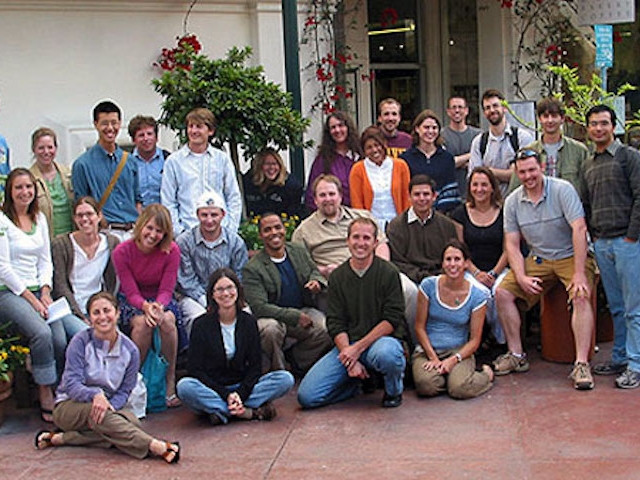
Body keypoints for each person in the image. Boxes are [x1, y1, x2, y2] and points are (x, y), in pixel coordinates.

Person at [35, 292, 180, 463]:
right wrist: (95, 395)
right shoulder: (80, 342)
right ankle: (156, 446)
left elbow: (125, 391)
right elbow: (72, 384)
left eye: (107, 310)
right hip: (69, 406)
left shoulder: (130, 350)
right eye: (96, 313)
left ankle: (64, 438)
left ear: (117, 313)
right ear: (89, 318)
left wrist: (110, 405)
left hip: (108, 409)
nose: (102, 317)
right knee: (111, 420)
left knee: (131, 423)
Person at [493, 149, 596, 390]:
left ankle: (581, 364)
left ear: (541, 167)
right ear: (517, 174)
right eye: (522, 172)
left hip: (571, 255)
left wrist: (580, 272)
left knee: (581, 295)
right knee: (502, 293)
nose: (528, 176)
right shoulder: (512, 201)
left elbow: (579, 229)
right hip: (539, 259)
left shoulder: (562, 189)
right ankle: (516, 355)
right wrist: (520, 276)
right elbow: (512, 244)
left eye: (532, 170)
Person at [0, 168, 87, 422]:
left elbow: (44, 260)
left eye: (29, 187)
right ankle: (44, 390)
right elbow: (3, 267)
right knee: (41, 332)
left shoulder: (39, 218)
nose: (25, 192)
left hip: (40, 290)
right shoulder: (3, 221)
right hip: (11, 291)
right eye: (19, 188)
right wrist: (32, 298)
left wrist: (46, 292)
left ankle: (61, 387)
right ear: (10, 192)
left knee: (60, 337)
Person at [297, 217, 406, 409]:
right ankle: (356, 384)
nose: (360, 243)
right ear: (347, 241)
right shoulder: (338, 276)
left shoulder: (389, 272)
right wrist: (349, 358)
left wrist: (358, 349)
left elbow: (392, 319)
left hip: (379, 342)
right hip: (348, 344)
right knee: (308, 397)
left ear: (375, 243)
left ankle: (393, 391)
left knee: (388, 355)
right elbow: (335, 321)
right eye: (356, 237)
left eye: (366, 238)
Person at [177, 268, 295, 425]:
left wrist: (240, 393)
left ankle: (220, 411)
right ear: (212, 294)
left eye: (230, 288)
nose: (225, 294)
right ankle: (247, 412)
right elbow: (195, 370)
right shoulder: (201, 325)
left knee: (284, 379)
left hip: (243, 387)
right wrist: (226, 395)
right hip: (213, 389)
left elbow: (255, 367)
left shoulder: (248, 322)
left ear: (238, 291)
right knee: (185, 387)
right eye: (219, 289)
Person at [583, 105, 640, 388]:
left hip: (627, 243)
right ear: (588, 129)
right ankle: (619, 356)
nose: (598, 129)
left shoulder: (629, 157)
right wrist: (594, 237)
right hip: (602, 243)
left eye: (604, 123)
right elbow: (586, 204)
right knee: (615, 306)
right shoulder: (589, 163)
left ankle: (635, 363)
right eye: (593, 124)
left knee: (633, 308)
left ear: (614, 126)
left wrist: (631, 236)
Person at [112, 204, 182, 407]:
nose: (153, 235)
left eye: (159, 231)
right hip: (133, 300)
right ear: (141, 225)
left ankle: (170, 379)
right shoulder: (122, 251)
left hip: (161, 299)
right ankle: (135, 379)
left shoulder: (172, 251)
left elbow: (167, 289)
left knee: (167, 321)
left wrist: (158, 307)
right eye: (149, 228)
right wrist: (146, 307)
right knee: (142, 325)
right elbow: (130, 290)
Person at [243, 213, 332, 373]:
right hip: (272, 316)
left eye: (278, 227)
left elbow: (314, 271)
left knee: (326, 329)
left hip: (302, 309)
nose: (274, 233)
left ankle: (297, 360)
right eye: (267, 230)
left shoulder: (298, 250)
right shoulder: (253, 268)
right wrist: (294, 316)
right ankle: (278, 371)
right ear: (261, 235)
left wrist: (316, 281)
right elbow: (259, 307)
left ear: (285, 229)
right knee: (269, 330)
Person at [412, 240, 494, 399]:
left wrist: (452, 361)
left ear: (466, 263)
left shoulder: (477, 296)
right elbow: (419, 327)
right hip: (428, 350)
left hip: (458, 351)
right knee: (425, 386)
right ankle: (449, 378)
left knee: (459, 390)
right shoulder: (428, 286)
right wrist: (433, 358)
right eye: (448, 259)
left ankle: (485, 375)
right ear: (442, 263)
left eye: (457, 259)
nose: (452, 264)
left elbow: (475, 340)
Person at [386, 174, 459, 344]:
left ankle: (457, 341)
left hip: (442, 275)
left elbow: (453, 255)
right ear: (409, 196)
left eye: (426, 194)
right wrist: (423, 277)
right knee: (412, 293)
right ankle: (417, 343)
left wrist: (442, 275)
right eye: (417, 194)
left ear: (434, 196)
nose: (422, 199)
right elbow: (397, 261)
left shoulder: (446, 225)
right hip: (413, 278)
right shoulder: (396, 226)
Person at [176, 191, 248, 337]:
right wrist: (207, 302)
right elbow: (186, 280)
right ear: (197, 215)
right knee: (199, 318)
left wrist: (227, 298)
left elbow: (239, 275)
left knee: (246, 316)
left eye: (214, 215)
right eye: (204, 215)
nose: (209, 220)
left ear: (223, 214)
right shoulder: (184, 242)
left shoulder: (235, 242)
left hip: (228, 294)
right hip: (194, 297)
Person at [161, 107, 242, 236]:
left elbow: (233, 197)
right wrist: (179, 232)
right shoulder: (174, 161)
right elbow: (168, 200)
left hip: (221, 232)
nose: (193, 131)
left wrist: (231, 230)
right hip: (188, 231)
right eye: (190, 126)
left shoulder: (222, 159)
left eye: (199, 126)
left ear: (210, 131)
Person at [292, 174, 389, 281]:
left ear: (340, 196)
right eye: (322, 195)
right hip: (335, 280)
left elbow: (381, 244)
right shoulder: (303, 231)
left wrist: (380, 270)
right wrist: (324, 270)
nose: (328, 199)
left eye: (332, 194)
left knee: (407, 289)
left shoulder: (363, 217)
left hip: (372, 272)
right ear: (315, 200)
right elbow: (301, 266)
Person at [450, 167, 507, 344]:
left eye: (484, 185)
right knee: (480, 293)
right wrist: (476, 273)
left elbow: (508, 250)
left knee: (500, 292)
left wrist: (493, 274)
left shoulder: (504, 212)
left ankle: (500, 339)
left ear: (492, 188)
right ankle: (481, 337)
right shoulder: (460, 213)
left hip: (500, 267)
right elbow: (460, 249)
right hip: (470, 269)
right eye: (475, 185)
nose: (479, 189)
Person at [71, 100, 141, 240]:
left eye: (114, 123)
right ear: (95, 124)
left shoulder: (130, 161)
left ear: (120, 123)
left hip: (132, 231)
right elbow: (81, 204)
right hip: (105, 233)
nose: (110, 128)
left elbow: (137, 199)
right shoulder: (82, 164)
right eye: (104, 123)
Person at [51, 197, 120, 321]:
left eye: (89, 214)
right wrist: (81, 317)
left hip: (99, 310)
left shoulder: (111, 243)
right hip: (70, 310)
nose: (84, 219)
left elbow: (113, 281)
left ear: (99, 216)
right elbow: (60, 285)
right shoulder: (62, 244)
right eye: (80, 215)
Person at [507, 97, 589, 197]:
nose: (550, 120)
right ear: (539, 119)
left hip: (570, 209)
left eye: (554, 116)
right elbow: (515, 190)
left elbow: (587, 188)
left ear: (562, 118)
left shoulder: (579, 151)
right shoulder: (528, 152)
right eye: (545, 116)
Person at [467, 89, 534, 196]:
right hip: (489, 207)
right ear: (484, 113)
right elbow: (475, 178)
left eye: (495, 105)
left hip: (519, 202)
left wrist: (488, 171)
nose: (492, 110)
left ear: (504, 107)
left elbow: (527, 174)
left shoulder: (522, 137)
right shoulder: (479, 142)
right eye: (487, 108)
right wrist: (508, 173)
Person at [349, 126, 410, 231]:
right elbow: (357, 204)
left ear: (384, 145)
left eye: (377, 145)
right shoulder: (357, 169)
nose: (374, 150)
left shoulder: (401, 166)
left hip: (399, 225)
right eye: (369, 147)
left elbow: (407, 198)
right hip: (371, 227)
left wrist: (406, 225)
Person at [401, 109, 461, 212]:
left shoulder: (447, 158)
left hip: (442, 214)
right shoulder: (406, 158)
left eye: (434, 128)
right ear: (417, 129)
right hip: (415, 214)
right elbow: (404, 191)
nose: (430, 131)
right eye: (426, 127)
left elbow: (451, 190)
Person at [304, 111, 362, 211]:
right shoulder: (323, 160)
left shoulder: (360, 155)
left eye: (341, 125)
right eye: (333, 127)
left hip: (360, 214)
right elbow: (311, 194)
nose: (337, 130)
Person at [29, 127, 74, 237]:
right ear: (33, 149)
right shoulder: (29, 179)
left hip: (71, 238)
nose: (46, 152)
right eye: (41, 148)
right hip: (45, 239)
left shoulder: (68, 174)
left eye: (50, 147)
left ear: (56, 148)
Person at [242, 148, 304, 218]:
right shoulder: (247, 182)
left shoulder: (291, 186)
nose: (271, 167)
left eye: (274, 164)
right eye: (267, 164)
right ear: (259, 166)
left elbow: (295, 214)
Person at [441, 96, 482, 197]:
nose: (457, 110)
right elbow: (447, 164)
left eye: (460, 107)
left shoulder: (478, 135)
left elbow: (481, 165)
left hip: (474, 194)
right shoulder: (441, 135)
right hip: (449, 194)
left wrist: (458, 160)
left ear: (466, 110)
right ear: (448, 111)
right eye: (453, 107)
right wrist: (472, 155)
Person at [128, 115, 171, 207]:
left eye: (149, 134)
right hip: (137, 218)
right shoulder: (127, 163)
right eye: (141, 135)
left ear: (156, 138)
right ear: (133, 140)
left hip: (164, 216)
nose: (146, 139)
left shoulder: (168, 160)